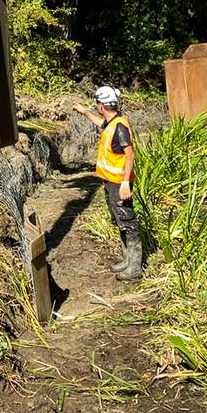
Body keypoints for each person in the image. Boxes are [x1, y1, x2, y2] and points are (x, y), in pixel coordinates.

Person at [73, 86, 141, 280]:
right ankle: (127, 260)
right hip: (111, 182)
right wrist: (84, 111)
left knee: (128, 221)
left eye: (97, 105)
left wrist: (126, 183)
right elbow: (100, 122)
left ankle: (135, 267)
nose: (96, 107)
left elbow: (130, 155)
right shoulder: (112, 123)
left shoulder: (119, 127)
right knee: (120, 219)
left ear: (102, 106)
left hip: (120, 183)